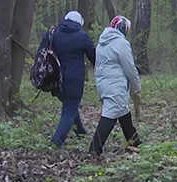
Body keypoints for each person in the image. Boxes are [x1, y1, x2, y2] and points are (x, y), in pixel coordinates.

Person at [38, 10, 95, 147]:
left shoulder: (52, 33)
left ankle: (80, 133)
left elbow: (41, 52)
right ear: (79, 23)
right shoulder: (82, 37)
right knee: (69, 109)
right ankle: (57, 141)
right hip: (74, 80)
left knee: (69, 106)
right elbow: (94, 58)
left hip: (54, 79)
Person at [90, 15, 142, 156]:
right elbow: (129, 68)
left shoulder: (101, 43)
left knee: (123, 113)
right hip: (115, 84)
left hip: (104, 84)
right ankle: (94, 149)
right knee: (110, 114)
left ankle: (135, 142)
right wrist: (137, 86)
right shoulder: (121, 43)